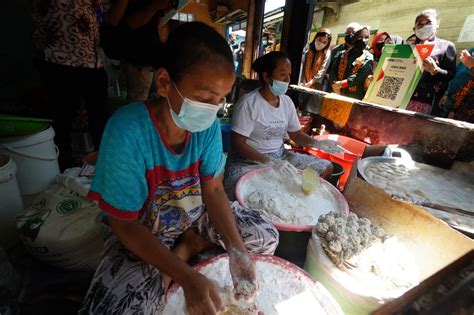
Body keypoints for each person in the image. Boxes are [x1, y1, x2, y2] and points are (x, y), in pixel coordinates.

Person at [79, 22, 278, 315]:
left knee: (264, 236)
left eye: (221, 100)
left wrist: (238, 254)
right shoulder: (128, 130)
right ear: (163, 83)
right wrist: (187, 277)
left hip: (193, 217)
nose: (213, 109)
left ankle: (190, 243)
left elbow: (212, 190)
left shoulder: (207, 127)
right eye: (205, 98)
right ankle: (187, 250)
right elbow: (123, 223)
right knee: (119, 308)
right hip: (145, 231)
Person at [223, 52, 337, 200]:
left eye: (289, 75)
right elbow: (238, 144)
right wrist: (268, 162)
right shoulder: (248, 104)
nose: (288, 79)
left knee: (327, 168)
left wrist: (317, 143)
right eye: (282, 74)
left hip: (280, 156)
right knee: (248, 194)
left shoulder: (287, 102)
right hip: (247, 160)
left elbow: (295, 135)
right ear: (266, 76)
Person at [32, 0, 111, 169]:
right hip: (55, 57)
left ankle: (107, 165)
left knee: (101, 122)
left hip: (90, 59)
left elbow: (105, 11)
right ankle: (65, 169)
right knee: (61, 122)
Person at [101, 0, 173, 101]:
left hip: (151, 59)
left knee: (151, 100)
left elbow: (160, 25)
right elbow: (125, 22)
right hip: (138, 59)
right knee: (139, 100)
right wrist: (154, 6)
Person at [406, 9, 456, 116]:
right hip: (402, 97)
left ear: (437, 24)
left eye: (428, 23)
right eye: (420, 24)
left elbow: (451, 75)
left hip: (427, 101)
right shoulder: (408, 47)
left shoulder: (446, 46)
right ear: (414, 29)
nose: (424, 26)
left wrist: (436, 71)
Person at [329, 26, 374, 100]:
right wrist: (335, 86)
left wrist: (341, 84)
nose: (363, 40)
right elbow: (333, 71)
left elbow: (360, 76)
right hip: (337, 92)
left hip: (354, 96)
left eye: (366, 37)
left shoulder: (368, 57)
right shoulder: (342, 54)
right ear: (354, 38)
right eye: (360, 37)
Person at [324, 22, 361, 92]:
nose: (350, 34)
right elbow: (330, 68)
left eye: (353, 32)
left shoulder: (362, 52)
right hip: (332, 87)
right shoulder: (336, 49)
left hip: (349, 90)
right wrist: (334, 83)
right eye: (347, 32)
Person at [439, 48, 474, 122]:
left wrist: (454, 110)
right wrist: (447, 93)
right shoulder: (471, 51)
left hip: (465, 105)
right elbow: (458, 73)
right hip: (453, 95)